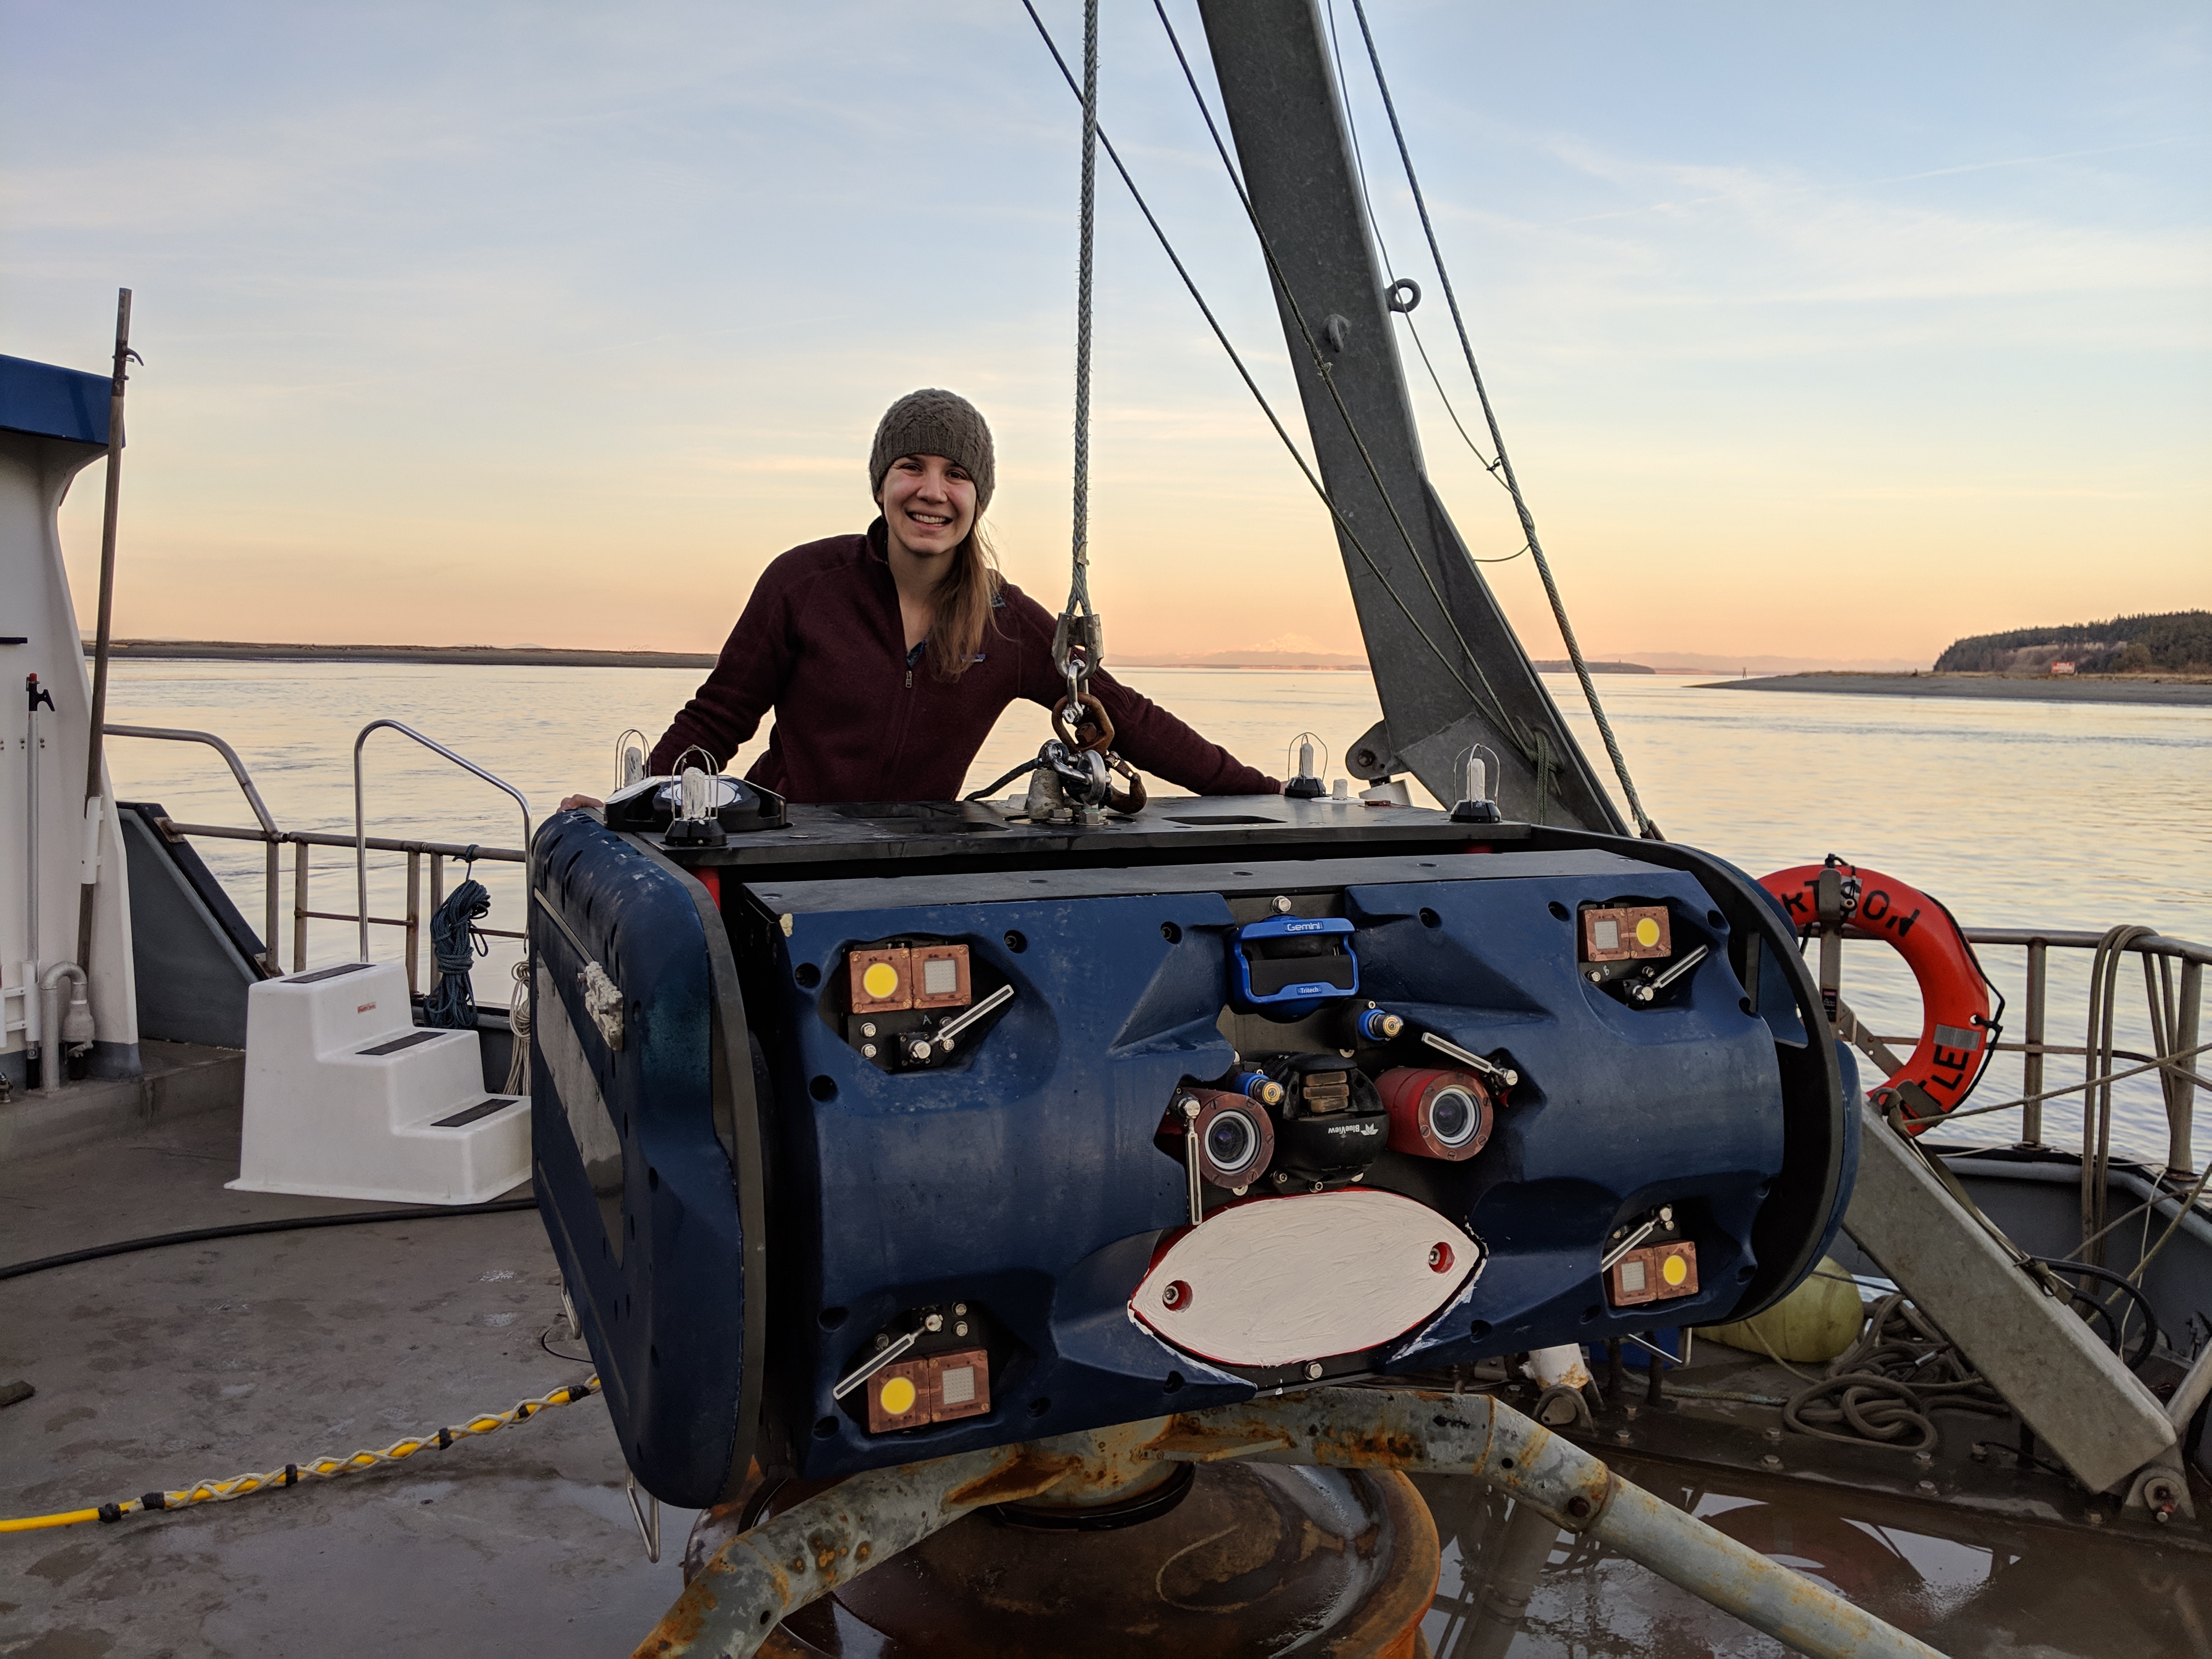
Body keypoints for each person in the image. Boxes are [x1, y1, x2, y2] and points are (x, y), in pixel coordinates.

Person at [562, 388, 1276, 809]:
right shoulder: (802, 584)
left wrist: (1263, 795)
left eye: (956, 474)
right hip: (782, 864)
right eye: (912, 467)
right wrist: (634, 808)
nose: (932, 491)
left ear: (978, 498)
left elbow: (1122, 716)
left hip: (912, 875)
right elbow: (716, 720)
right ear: (881, 483)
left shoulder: (1009, 622)